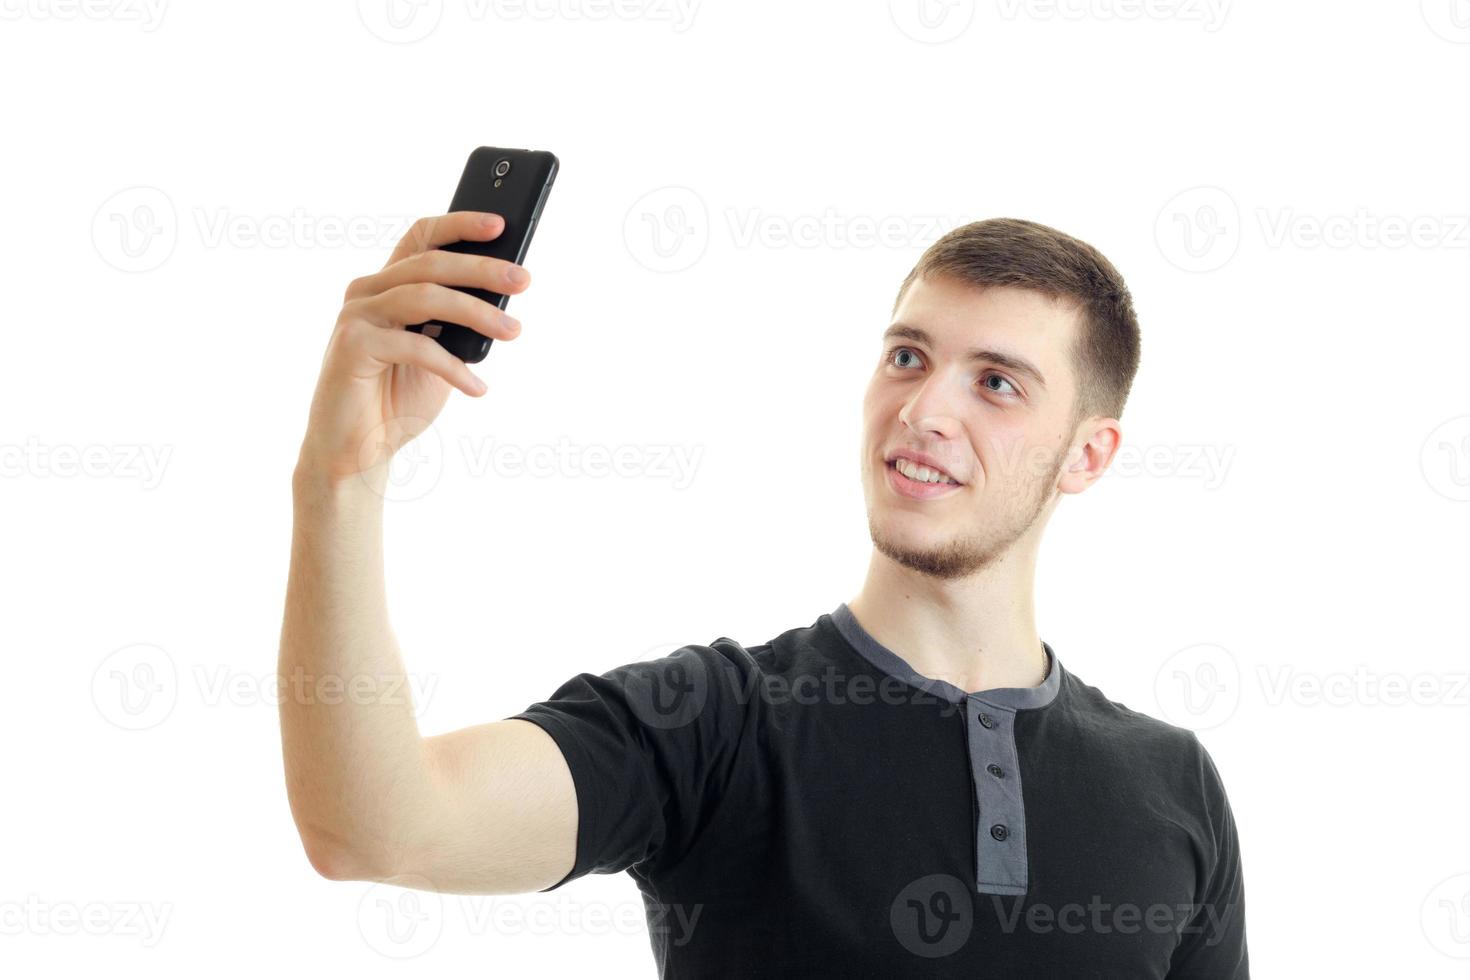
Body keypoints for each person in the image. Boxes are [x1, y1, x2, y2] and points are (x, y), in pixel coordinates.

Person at [279, 212, 1248, 978]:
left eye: (995, 382)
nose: (923, 409)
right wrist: (340, 480)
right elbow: (377, 825)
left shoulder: (1173, 784)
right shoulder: (711, 721)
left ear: (1088, 454)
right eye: (908, 356)